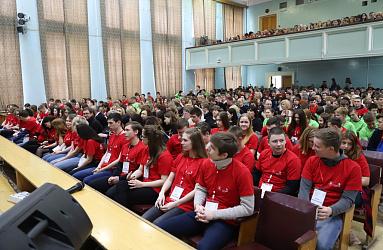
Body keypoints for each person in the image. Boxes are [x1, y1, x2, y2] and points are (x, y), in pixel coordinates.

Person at [157, 132, 254, 250]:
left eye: (212, 148)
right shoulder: (207, 163)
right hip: (202, 213)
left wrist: (214, 214)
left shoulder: (242, 172)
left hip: (224, 221)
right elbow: (201, 188)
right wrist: (197, 205)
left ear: (223, 155)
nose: (206, 147)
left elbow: (248, 208)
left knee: (204, 247)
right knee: (160, 227)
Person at [298, 128, 362, 250]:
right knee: (289, 236)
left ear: (331, 149)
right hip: (308, 209)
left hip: (331, 214)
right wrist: (306, 208)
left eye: (317, 146)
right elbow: (304, 189)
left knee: (321, 245)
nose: (313, 148)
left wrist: (331, 210)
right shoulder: (312, 161)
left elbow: (348, 200)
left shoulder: (353, 168)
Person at [143, 128, 207, 225]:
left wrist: (175, 204)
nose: (181, 142)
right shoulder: (181, 157)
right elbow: (169, 179)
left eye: (185, 140)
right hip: (170, 198)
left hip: (184, 205)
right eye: (181, 140)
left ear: (195, 143)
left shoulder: (203, 163)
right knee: (144, 219)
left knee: (157, 224)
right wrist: (162, 193)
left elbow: (197, 190)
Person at [106, 125, 172, 210]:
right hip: (144, 184)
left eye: (143, 136)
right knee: (120, 186)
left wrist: (142, 184)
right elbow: (140, 170)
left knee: (121, 194)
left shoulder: (164, 156)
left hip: (154, 189)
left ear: (150, 139)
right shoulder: (147, 149)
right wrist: (132, 176)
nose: (141, 138)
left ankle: (123, 214)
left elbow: (163, 181)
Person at [87, 121, 147, 194]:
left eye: (127, 130)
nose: (125, 132)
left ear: (136, 132)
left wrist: (119, 178)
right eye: (124, 130)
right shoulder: (126, 146)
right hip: (119, 175)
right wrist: (115, 176)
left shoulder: (142, 148)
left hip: (130, 179)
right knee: (92, 184)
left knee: (109, 193)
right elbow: (120, 164)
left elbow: (137, 170)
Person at [76, 113, 128, 184]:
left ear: (118, 122)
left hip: (112, 169)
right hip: (103, 166)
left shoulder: (125, 137)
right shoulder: (112, 135)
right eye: (108, 123)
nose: (109, 126)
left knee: (87, 180)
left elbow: (119, 159)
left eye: (111, 123)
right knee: (76, 175)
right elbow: (107, 152)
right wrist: (99, 167)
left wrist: (101, 169)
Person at [254, 127, 301, 196]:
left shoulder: (293, 160)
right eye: (275, 141)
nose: (279, 144)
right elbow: (256, 174)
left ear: (286, 141)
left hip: (279, 196)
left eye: (281, 141)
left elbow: (292, 187)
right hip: (260, 190)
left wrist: (272, 196)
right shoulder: (264, 154)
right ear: (268, 142)